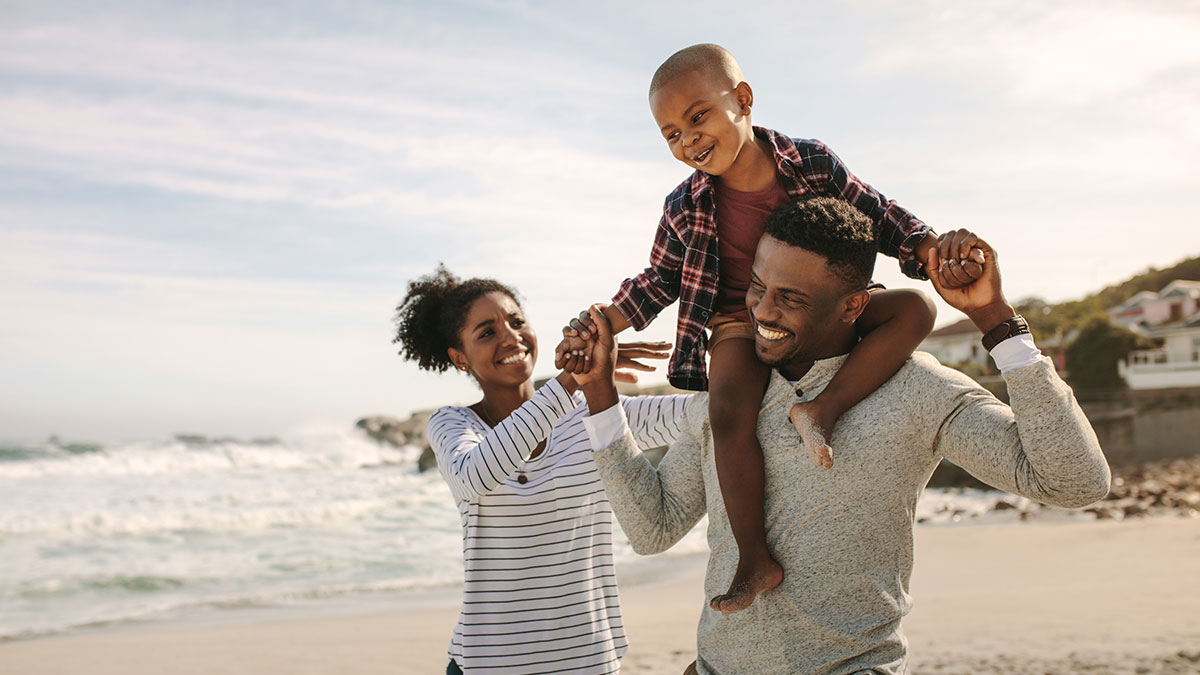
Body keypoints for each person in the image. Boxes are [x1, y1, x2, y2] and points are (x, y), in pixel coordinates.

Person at [576, 197, 1111, 674]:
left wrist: (994, 319)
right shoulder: (730, 397)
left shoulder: (915, 388)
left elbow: (1074, 481)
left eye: (791, 298)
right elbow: (653, 531)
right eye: (757, 287)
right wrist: (600, 393)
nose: (763, 311)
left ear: (854, 304)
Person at [557, 43, 984, 613]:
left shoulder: (810, 162)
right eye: (670, 134)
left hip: (820, 310)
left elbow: (879, 214)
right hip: (739, 319)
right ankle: (754, 559)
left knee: (915, 312)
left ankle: (822, 410)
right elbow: (658, 279)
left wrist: (931, 248)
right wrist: (601, 322)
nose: (687, 141)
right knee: (727, 409)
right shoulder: (684, 205)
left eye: (697, 116)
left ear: (742, 99)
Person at [391, 265, 690, 675]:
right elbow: (474, 476)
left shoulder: (596, 414)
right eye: (487, 332)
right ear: (459, 358)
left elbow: (700, 416)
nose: (511, 337)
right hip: (487, 664)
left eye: (516, 322)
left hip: (589, 662)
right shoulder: (452, 424)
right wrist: (570, 381)